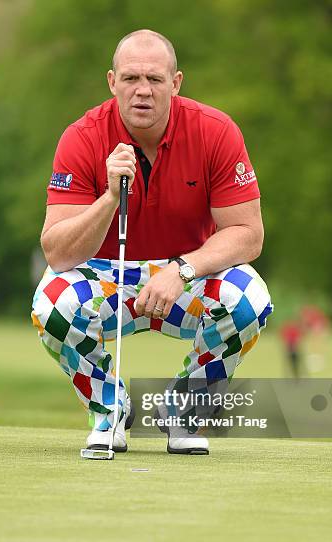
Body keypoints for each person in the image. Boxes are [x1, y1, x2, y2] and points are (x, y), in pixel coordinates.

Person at [31, 29, 273, 456]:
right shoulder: (82, 136)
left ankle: (184, 411)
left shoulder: (215, 131)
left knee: (248, 297)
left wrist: (181, 269)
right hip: (106, 278)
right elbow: (59, 252)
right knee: (52, 304)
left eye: (155, 80)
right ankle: (111, 411)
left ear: (176, 83)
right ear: (112, 82)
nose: (142, 91)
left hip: (187, 278)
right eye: (130, 79)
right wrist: (109, 197)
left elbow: (248, 234)